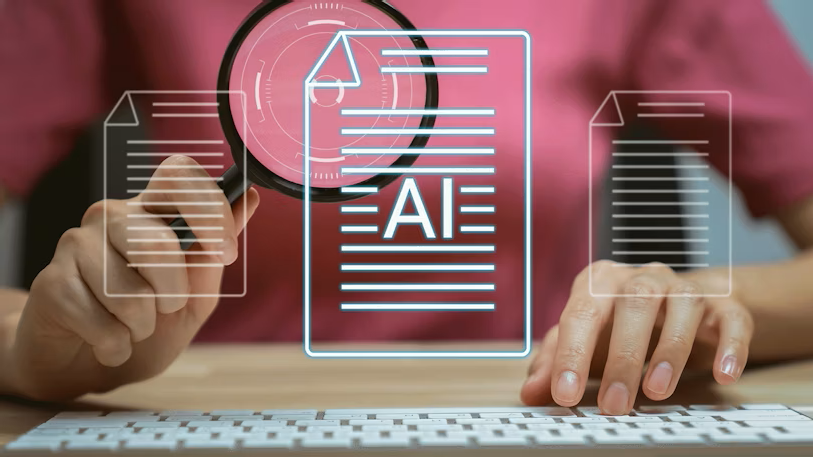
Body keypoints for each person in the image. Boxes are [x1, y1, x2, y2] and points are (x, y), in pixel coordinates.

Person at [1, 0, 813, 415]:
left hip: (540, 416)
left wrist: (706, 304)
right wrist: (32, 350)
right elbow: (33, 335)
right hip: (195, 419)